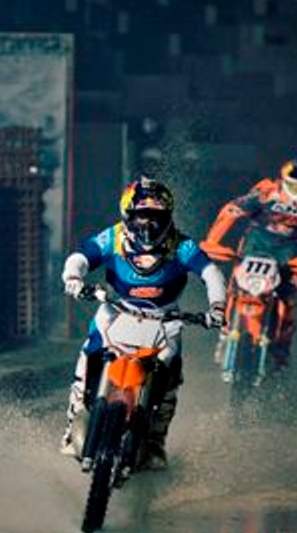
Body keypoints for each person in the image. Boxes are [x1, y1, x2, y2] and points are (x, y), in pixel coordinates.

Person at [60, 176, 227, 470]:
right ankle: (74, 421)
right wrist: (73, 280)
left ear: (168, 217)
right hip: (116, 311)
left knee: (170, 378)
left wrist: (216, 308)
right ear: (127, 216)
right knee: (88, 356)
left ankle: (154, 441)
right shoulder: (111, 237)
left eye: (156, 217)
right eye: (141, 216)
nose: (148, 225)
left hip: (166, 318)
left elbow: (211, 273)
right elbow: (80, 257)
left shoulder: (182, 245)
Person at [201, 152, 297, 371]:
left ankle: (282, 349)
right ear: (284, 181)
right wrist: (212, 241)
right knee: (236, 286)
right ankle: (224, 335)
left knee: (289, 298)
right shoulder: (266, 192)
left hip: (287, 250)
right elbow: (231, 210)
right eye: (296, 187)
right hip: (256, 242)